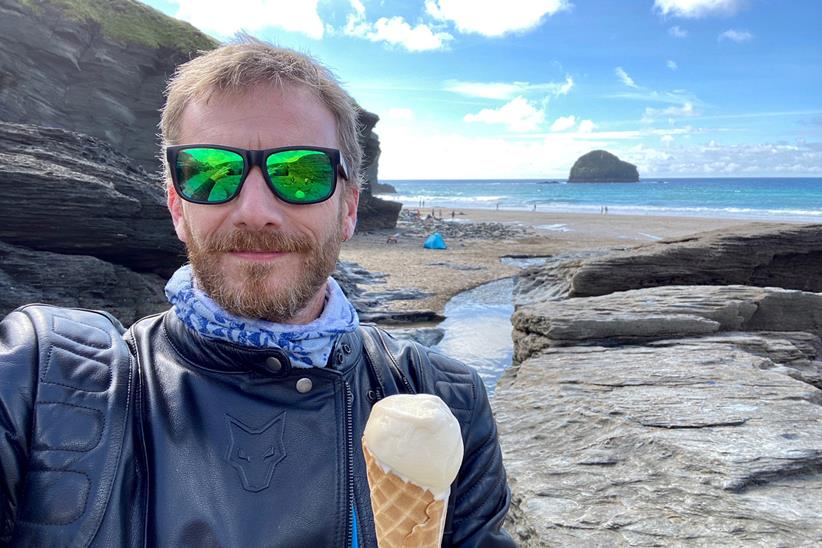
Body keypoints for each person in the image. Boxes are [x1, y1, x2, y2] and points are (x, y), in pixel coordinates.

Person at [0, 41, 515, 547]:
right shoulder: (44, 378)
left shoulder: (444, 398)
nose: (254, 210)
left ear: (350, 208)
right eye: (212, 171)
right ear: (178, 206)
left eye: (300, 173)